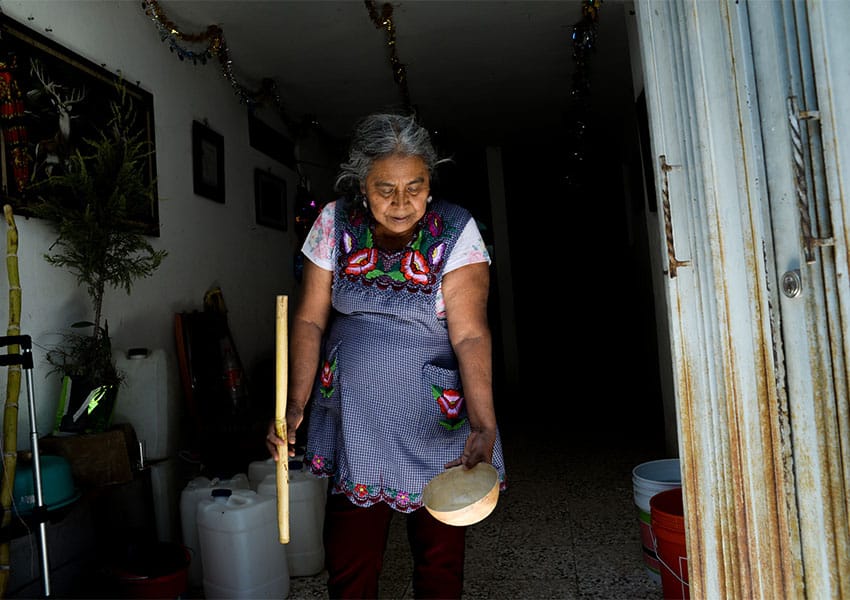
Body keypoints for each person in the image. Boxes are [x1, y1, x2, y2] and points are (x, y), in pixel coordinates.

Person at [266, 112, 506, 599]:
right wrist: (293, 407)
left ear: (429, 181)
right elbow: (310, 320)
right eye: (384, 189)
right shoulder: (334, 222)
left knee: (439, 563)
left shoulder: (456, 230)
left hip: (434, 424)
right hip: (354, 421)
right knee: (350, 562)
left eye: (415, 187)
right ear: (361, 184)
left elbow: (470, 337)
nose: (401, 203)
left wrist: (484, 421)